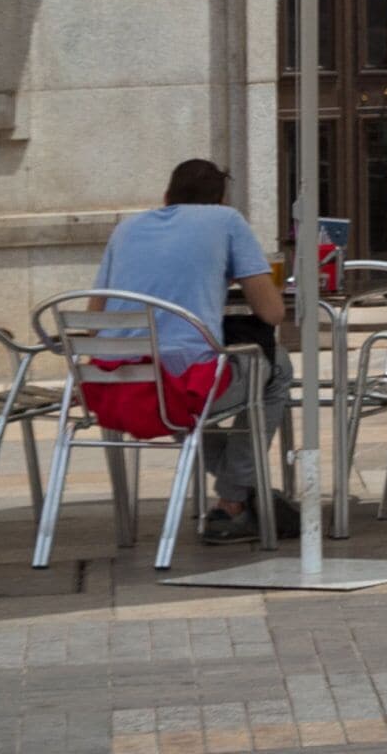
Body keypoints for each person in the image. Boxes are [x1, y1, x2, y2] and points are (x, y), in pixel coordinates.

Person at [90, 158, 286, 546]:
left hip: (117, 390)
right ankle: (234, 500)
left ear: (166, 197)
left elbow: (95, 319)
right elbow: (272, 312)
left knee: (190, 381)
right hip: (184, 391)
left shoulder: (126, 229)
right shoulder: (227, 220)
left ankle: (238, 487)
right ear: (220, 199)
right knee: (277, 368)